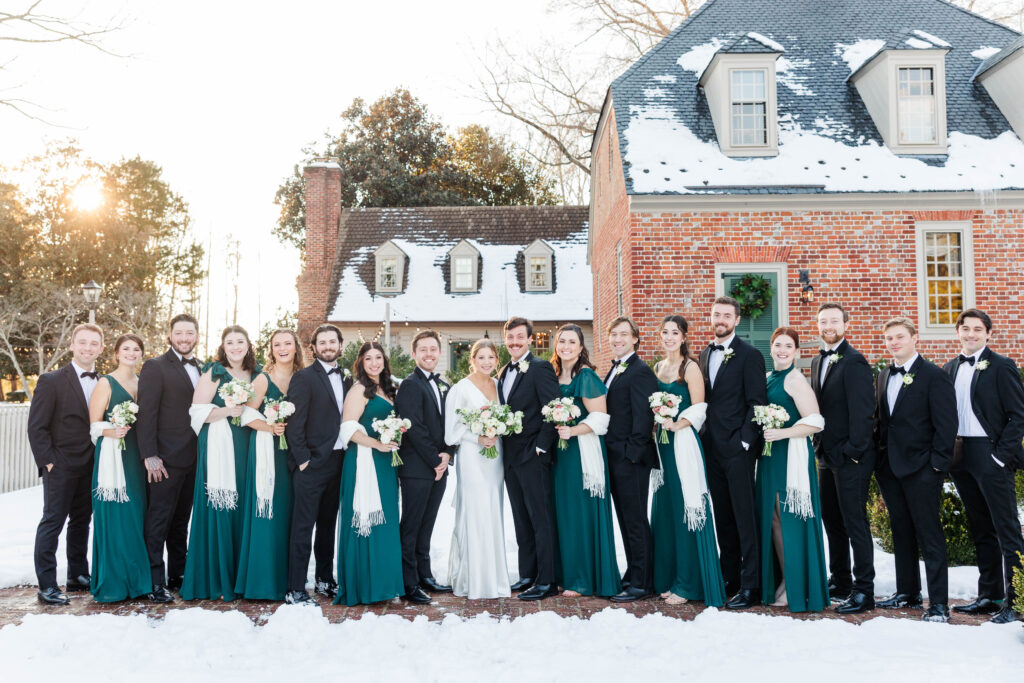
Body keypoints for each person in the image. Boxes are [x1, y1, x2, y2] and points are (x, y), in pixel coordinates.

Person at [943, 309, 1024, 624]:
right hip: (960, 454)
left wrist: (1000, 457)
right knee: (981, 529)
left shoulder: (1002, 366)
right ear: (958, 332)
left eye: (978, 329)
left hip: (990, 453)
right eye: (966, 328)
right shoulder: (949, 368)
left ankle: (1016, 602)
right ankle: (989, 595)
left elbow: (1018, 416)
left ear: (988, 334)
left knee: (1007, 531)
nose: (971, 334)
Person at [874, 317, 957, 622]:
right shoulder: (883, 375)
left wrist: (936, 465)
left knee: (929, 535)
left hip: (923, 469)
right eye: (889, 339)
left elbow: (947, 425)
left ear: (914, 338)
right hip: (890, 469)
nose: (894, 343)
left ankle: (937, 604)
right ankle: (907, 592)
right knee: (901, 532)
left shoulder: (934, 375)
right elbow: (884, 422)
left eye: (899, 337)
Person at [650, 316, 725, 607]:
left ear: (683, 337)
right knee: (667, 512)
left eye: (675, 333)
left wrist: (677, 423)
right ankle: (670, 578)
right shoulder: (658, 367)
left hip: (682, 443)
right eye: (665, 332)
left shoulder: (690, 367)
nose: (669, 337)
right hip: (662, 445)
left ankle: (689, 582)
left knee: (686, 510)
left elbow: (700, 408)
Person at [698, 296, 767, 610]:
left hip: (737, 450)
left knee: (744, 517)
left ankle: (751, 585)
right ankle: (730, 578)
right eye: (716, 314)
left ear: (737, 320)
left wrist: (743, 442)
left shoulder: (750, 355)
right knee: (722, 516)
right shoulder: (703, 354)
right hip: (710, 448)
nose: (721, 319)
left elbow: (757, 403)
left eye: (727, 315)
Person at [180, 325, 258, 601]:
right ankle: (215, 577)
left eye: (240, 341)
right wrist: (228, 410)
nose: (236, 346)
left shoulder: (256, 373)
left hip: (247, 445)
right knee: (219, 504)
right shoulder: (213, 372)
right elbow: (196, 412)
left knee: (244, 505)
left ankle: (242, 576)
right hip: (218, 446)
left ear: (248, 344)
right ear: (223, 347)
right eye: (230, 342)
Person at [28, 323, 104, 605]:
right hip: (60, 466)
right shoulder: (51, 380)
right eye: (82, 342)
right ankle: (46, 585)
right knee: (52, 522)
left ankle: (78, 575)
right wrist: (48, 462)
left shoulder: (104, 381)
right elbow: (37, 427)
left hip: (92, 465)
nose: (87, 348)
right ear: (72, 345)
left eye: (93, 343)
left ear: (101, 348)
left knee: (82, 522)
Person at [810, 303, 877, 614]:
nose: (829, 326)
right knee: (832, 521)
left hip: (851, 457)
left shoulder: (855, 361)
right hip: (826, 454)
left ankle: (864, 590)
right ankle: (840, 580)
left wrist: (853, 451)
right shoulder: (816, 360)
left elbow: (865, 412)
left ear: (845, 324)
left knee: (854, 522)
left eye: (834, 321)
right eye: (824, 321)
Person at [756, 328, 828, 613]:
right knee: (774, 518)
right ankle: (785, 579)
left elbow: (816, 422)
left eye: (788, 346)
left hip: (789, 456)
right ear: (771, 348)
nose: (782, 350)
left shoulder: (796, 379)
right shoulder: (770, 377)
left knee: (789, 518)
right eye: (777, 345)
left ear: (796, 351)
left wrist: (782, 433)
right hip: (770, 457)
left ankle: (794, 584)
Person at [550, 324, 621, 598]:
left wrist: (573, 430)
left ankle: (582, 579)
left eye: (571, 342)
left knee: (580, 513)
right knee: (564, 513)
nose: (565, 346)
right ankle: (566, 574)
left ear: (581, 347)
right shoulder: (554, 375)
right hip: (561, 453)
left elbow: (602, 418)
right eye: (561, 341)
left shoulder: (586, 376)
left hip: (582, 453)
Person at [283, 324, 350, 605]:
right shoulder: (303, 378)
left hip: (339, 462)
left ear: (340, 345)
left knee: (327, 525)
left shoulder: (348, 378)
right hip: (312, 464)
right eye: (321, 342)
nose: (327, 346)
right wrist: (303, 461)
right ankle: (295, 587)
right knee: (303, 526)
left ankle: (324, 579)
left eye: (332, 341)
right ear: (313, 348)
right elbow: (294, 424)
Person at [234, 329, 304, 601]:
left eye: (288, 343)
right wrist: (269, 427)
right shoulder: (263, 379)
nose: (283, 348)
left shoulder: (302, 378)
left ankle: (288, 578)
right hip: (267, 450)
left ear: (295, 347)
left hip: (293, 453)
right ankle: (262, 582)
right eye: (277, 345)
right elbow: (246, 415)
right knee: (267, 511)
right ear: (272, 349)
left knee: (288, 513)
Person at [137, 313, 202, 603]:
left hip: (194, 458)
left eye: (189, 333)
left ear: (197, 336)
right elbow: (146, 413)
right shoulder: (155, 366)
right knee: (158, 521)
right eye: (179, 333)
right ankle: (153, 580)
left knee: (180, 521)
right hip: (164, 459)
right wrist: (150, 455)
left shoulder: (202, 368)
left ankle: (178, 574)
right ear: (170, 335)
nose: (184, 338)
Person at [335, 342, 405, 606]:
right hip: (364, 461)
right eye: (368, 359)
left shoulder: (388, 389)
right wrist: (377, 444)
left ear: (384, 361)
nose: (374, 363)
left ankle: (384, 584)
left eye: (378, 358)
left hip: (386, 464)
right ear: (361, 363)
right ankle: (363, 586)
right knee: (363, 521)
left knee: (385, 521)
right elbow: (347, 430)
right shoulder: (359, 390)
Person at [497, 316, 561, 600]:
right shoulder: (502, 372)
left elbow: (552, 408)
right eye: (510, 338)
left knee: (541, 518)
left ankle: (547, 580)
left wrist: (541, 448)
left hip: (533, 456)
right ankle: (527, 574)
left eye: (520, 337)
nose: (514, 342)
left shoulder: (540, 368)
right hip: (509, 458)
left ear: (530, 340)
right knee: (521, 518)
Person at [445, 339, 512, 599]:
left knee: (493, 511)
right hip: (473, 458)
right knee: (474, 512)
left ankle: (494, 578)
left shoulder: (498, 385)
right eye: (480, 357)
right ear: (472, 360)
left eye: (491, 357)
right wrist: (478, 437)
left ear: (497, 360)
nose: (486, 362)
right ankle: (471, 579)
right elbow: (451, 432)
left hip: (495, 458)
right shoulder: (460, 389)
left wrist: (498, 431)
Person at [88, 333, 151, 603]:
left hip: (137, 457)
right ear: (116, 353)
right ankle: (113, 583)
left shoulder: (143, 382)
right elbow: (93, 425)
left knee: (136, 518)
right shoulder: (106, 382)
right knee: (115, 518)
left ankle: (137, 582)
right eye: (126, 348)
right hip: (113, 458)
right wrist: (111, 431)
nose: (131, 353)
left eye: (136, 349)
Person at [603, 317, 658, 603]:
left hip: (630, 460)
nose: (618, 339)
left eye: (624, 334)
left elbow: (643, 417)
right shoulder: (615, 369)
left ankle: (642, 582)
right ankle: (634, 573)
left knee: (635, 520)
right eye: (614, 334)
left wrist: (631, 456)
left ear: (635, 339)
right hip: (614, 457)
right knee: (625, 520)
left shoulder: (640, 371)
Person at [395, 330, 453, 604]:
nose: (429, 354)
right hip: (417, 470)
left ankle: (424, 575)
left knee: (427, 525)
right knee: (411, 526)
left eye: (433, 349)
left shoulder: (442, 385)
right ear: (414, 354)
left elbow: (451, 425)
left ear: (439, 353)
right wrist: (436, 460)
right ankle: (408, 583)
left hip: (438, 467)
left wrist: (448, 454)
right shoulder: (410, 385)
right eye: (424, 350)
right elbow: (413, 427)